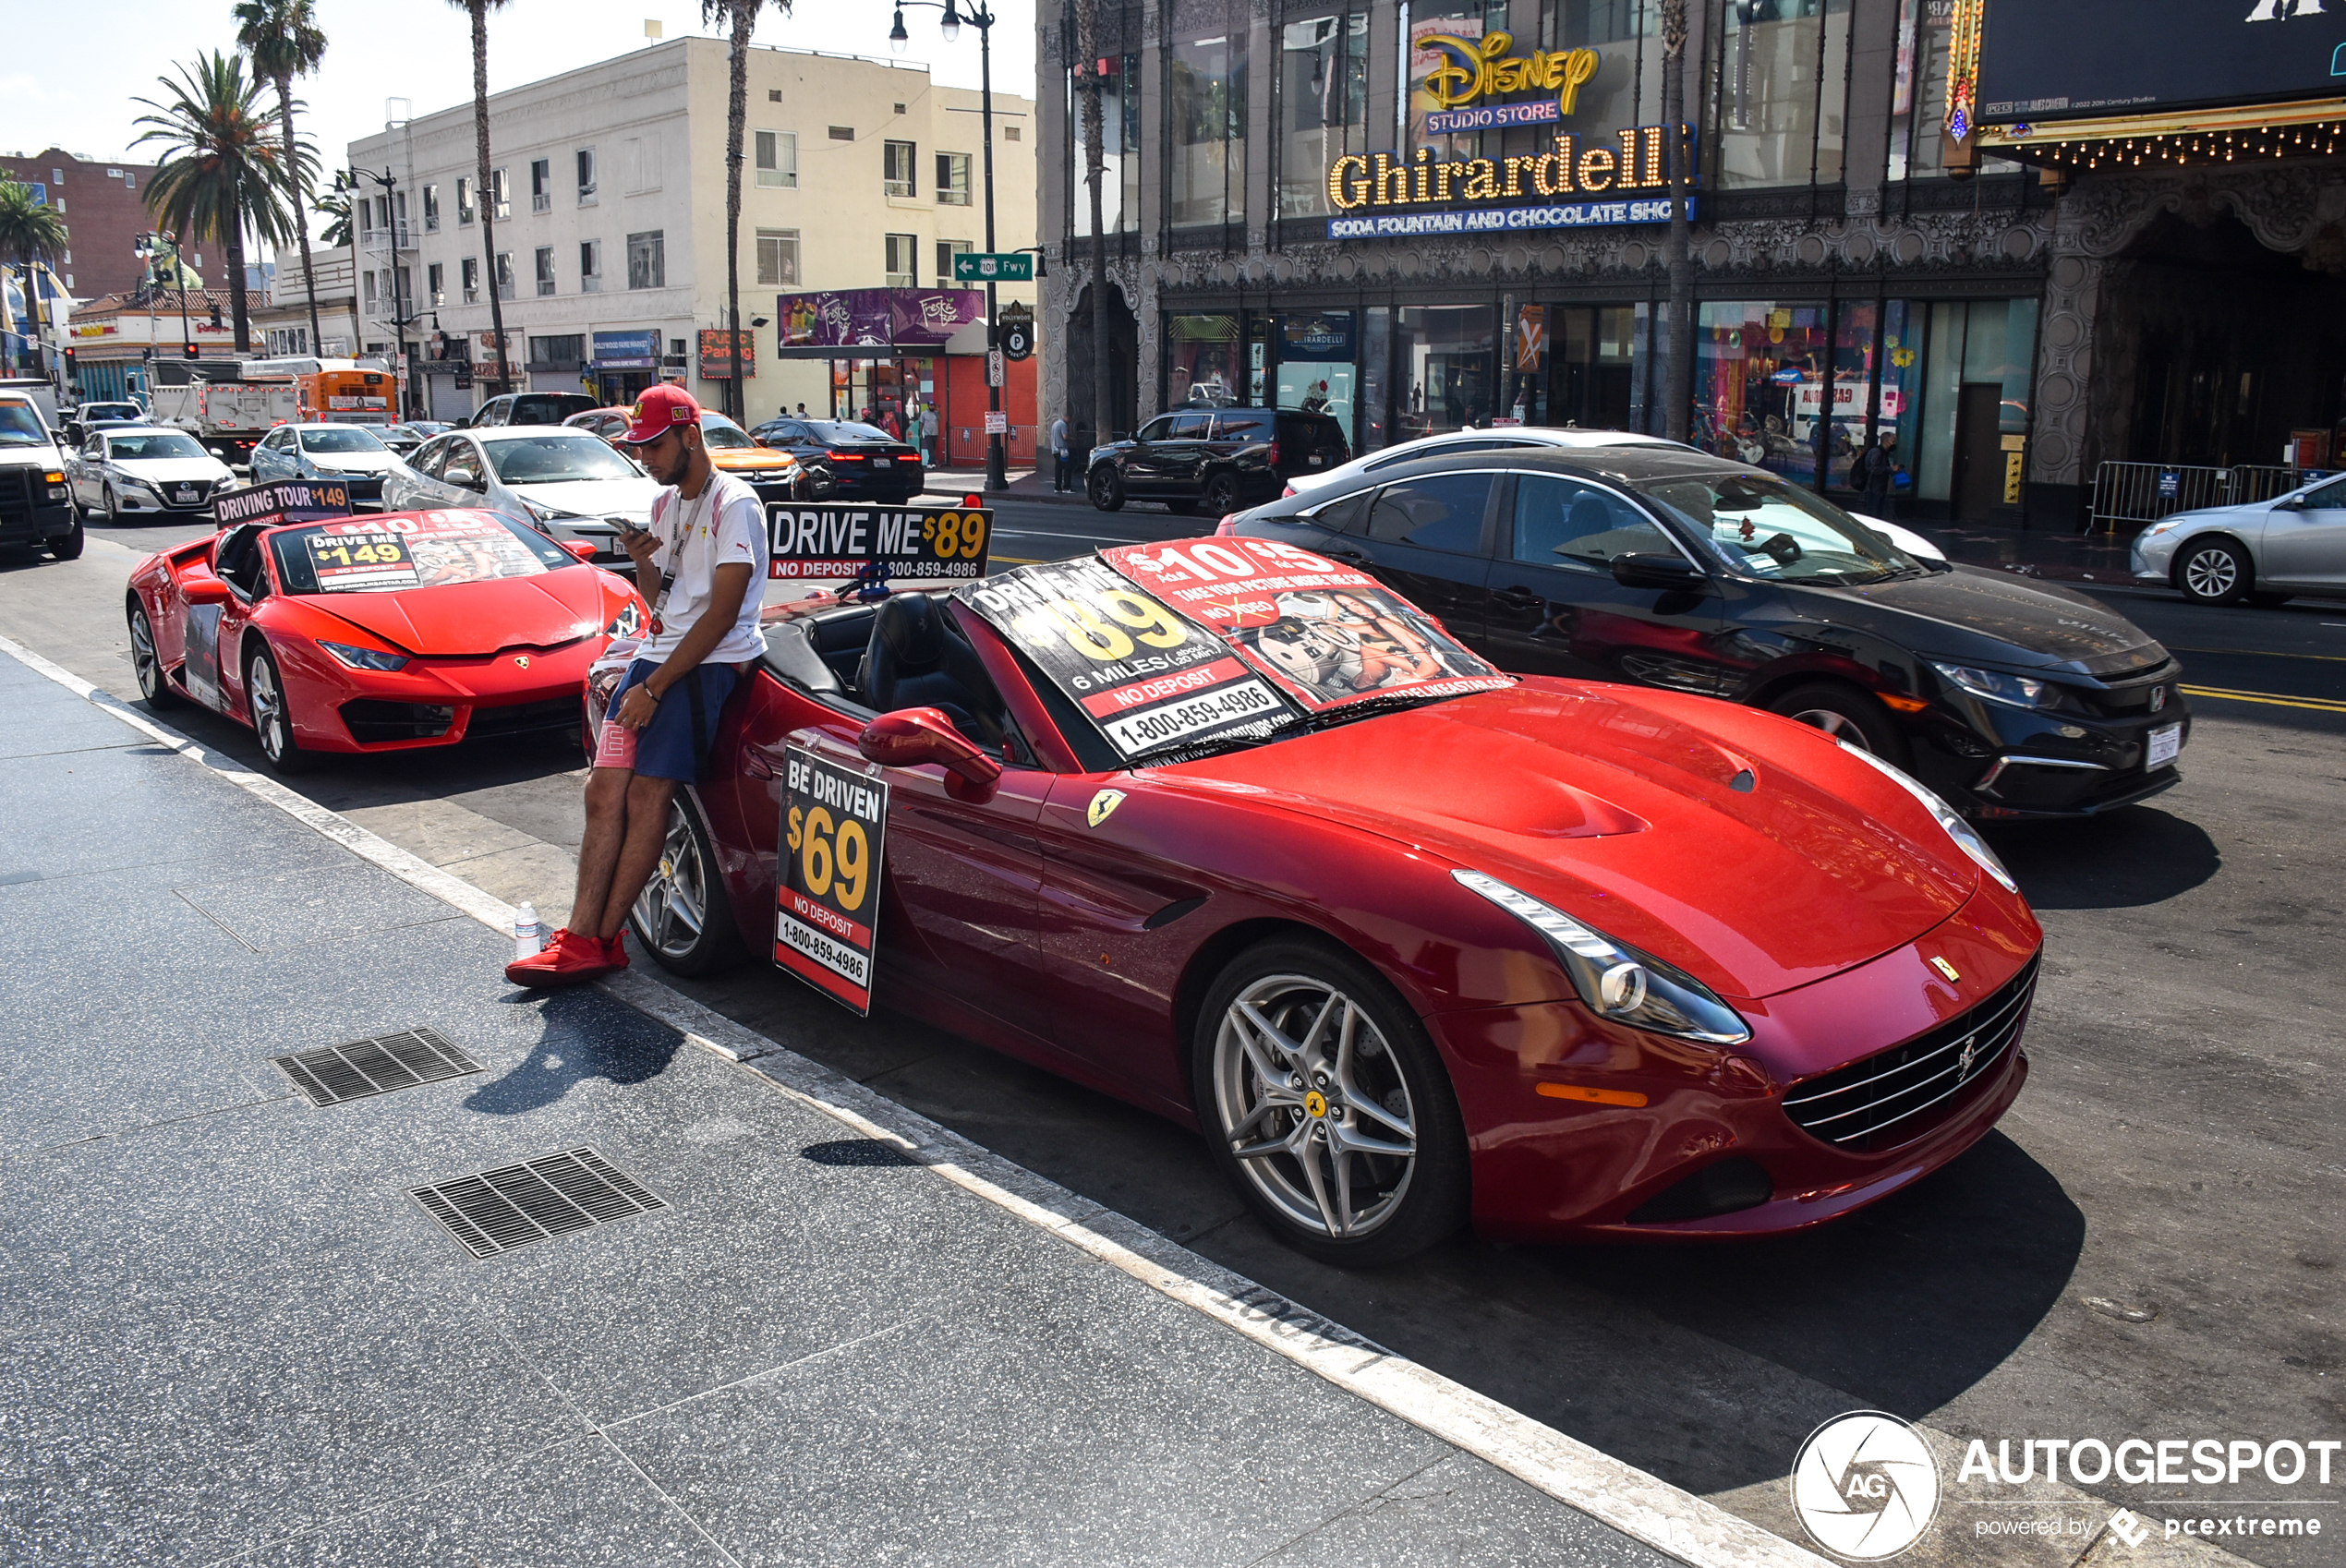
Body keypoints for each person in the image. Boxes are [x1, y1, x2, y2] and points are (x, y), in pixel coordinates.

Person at [505, 384, 768, 986]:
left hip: (706, 666)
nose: (644, 459)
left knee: (649, 797)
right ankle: (579, 935)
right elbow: (662, 604)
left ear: (690, 434)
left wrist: (654, 689)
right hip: (656, 656)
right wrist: (641, 559)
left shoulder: (737, 504)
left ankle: (600, 941)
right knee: (603, 793)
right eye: (638, 448)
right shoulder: (665, 505)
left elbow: (723, 614)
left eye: (653, 446)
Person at [1850, 428, 1906, 519]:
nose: (1894, 443)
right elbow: (1874, 469)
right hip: (1873, 488)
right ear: (1886, 441)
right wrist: (1891, 468)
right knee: (1873, 512)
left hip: (1879, 488)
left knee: (1877, 510)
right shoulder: (1877, 452)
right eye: (1893, 441)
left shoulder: (1883, 453)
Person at [1050, 410, 1072, 491]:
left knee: (1058, 469)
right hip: (1062, 450)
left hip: (1055, 449)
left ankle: (1057, 487)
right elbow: (1065, 437)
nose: (1069, 422)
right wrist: (1073, 439)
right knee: (1067, 468)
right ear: (1067, 418)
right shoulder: (1063, 425)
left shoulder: (1055, 424)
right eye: (1069, 420)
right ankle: (1067, 487)